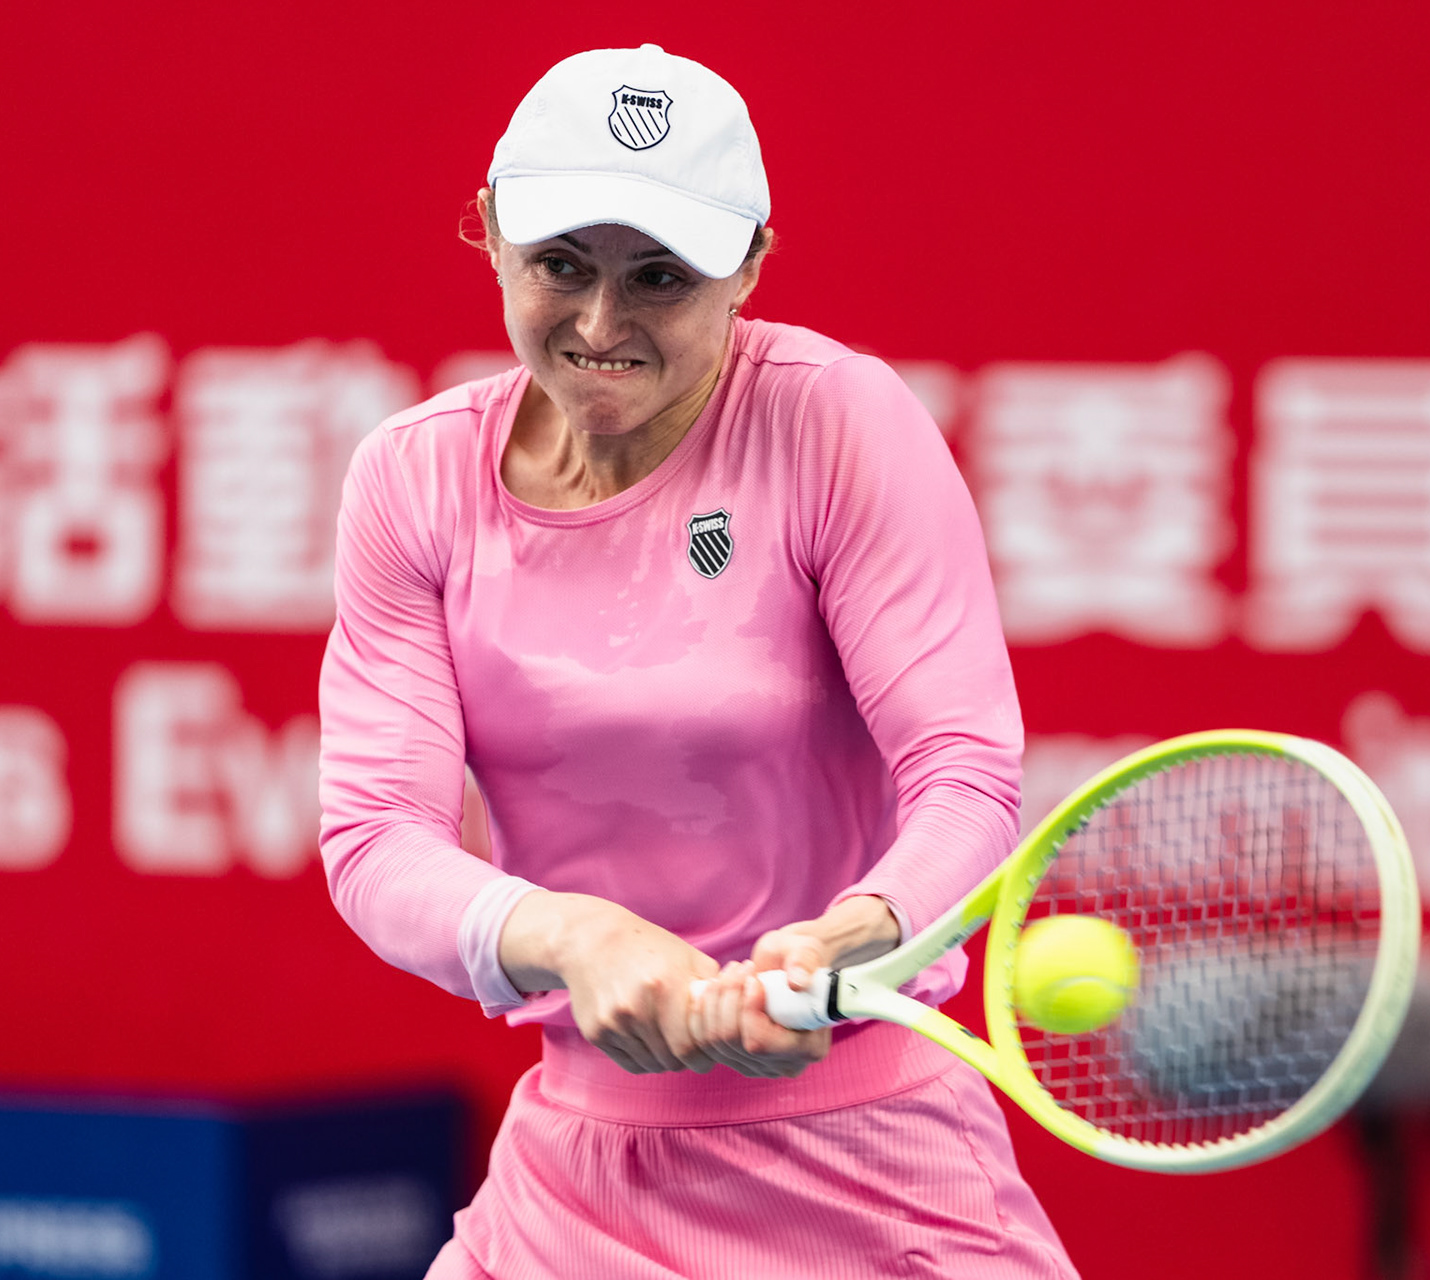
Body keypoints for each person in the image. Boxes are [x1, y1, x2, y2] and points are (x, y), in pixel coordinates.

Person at [319, 44, 1078, 1280]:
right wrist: (571, 934)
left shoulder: (838, 420)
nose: (599, 325)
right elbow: (374, 837)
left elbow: (964, 773)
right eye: (561, 263)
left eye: (659, 277)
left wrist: (853, 937)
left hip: (875, 1169)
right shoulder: (412, 478)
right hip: (572, 1179)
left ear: (751, 267)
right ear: (491, 230)